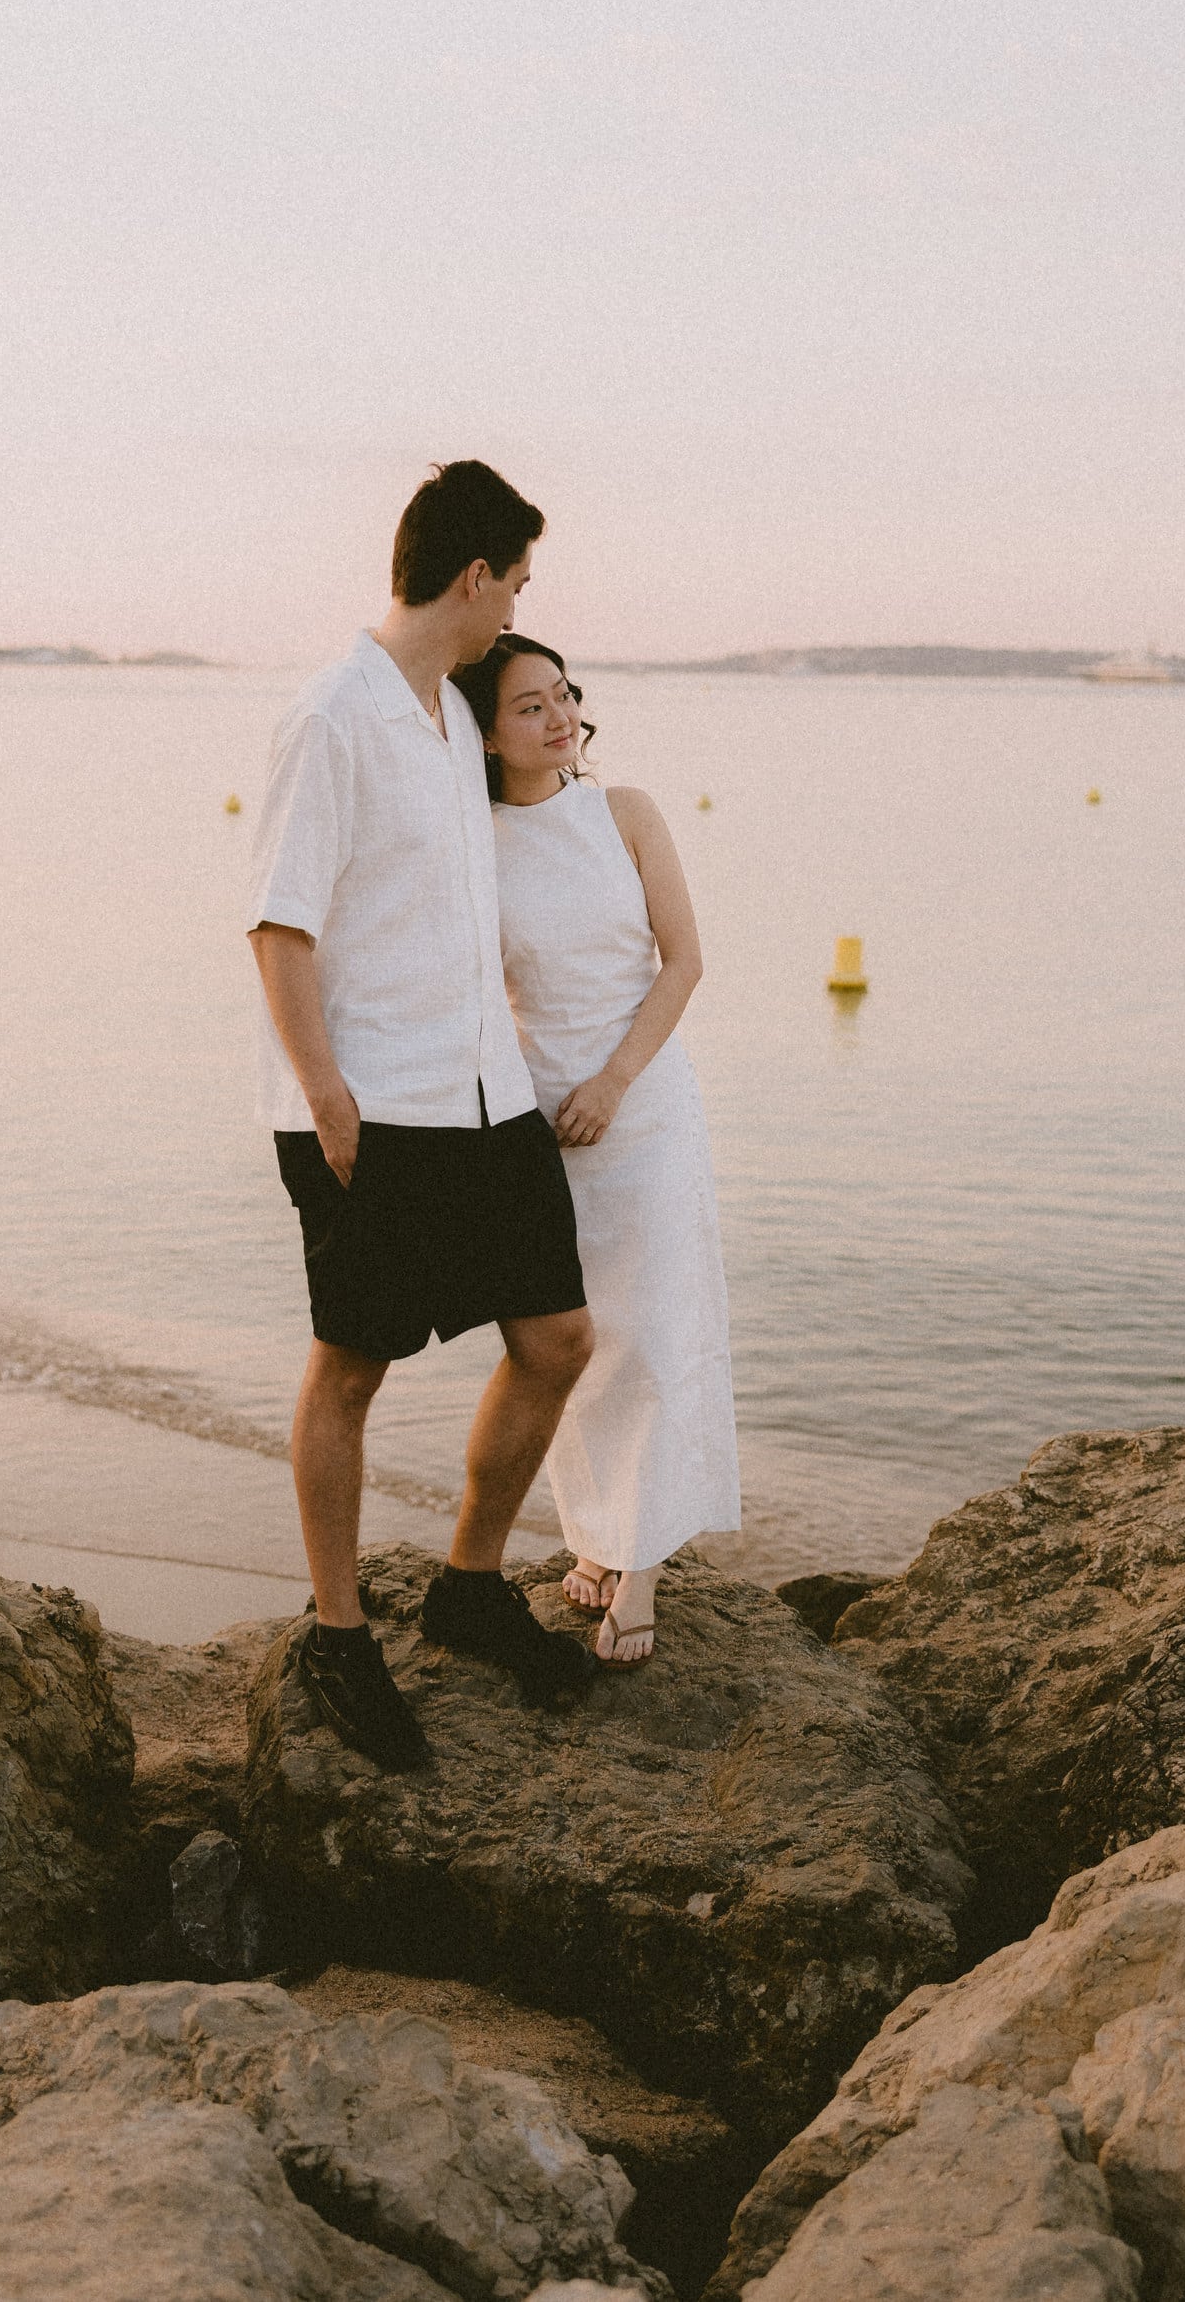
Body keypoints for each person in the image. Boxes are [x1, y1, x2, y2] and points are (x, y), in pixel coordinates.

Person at [248, 462, 597, 1772]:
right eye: (514, 581)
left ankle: (467, 1583)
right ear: (473, 577)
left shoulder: (453, 716)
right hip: (370, 1106)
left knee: (557, 1337)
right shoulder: (331, 716)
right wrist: (326, 1092)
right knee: (353, 1368)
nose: (516, 606)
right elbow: (280, 926)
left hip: (487, 1093)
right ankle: (338, 1637)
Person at [450, 636, 741, 1662]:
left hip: (644, 1104)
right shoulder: (473, 840)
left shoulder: (628, 813)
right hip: (539, 1121)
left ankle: (643, 1562)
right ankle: (597, 1534)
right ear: (485, 732)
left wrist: (614, 1081)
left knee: (656, 1327)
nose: (559, 716)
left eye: (564, 694)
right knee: (568, 1343)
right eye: (529, 706)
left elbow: (686, 961)